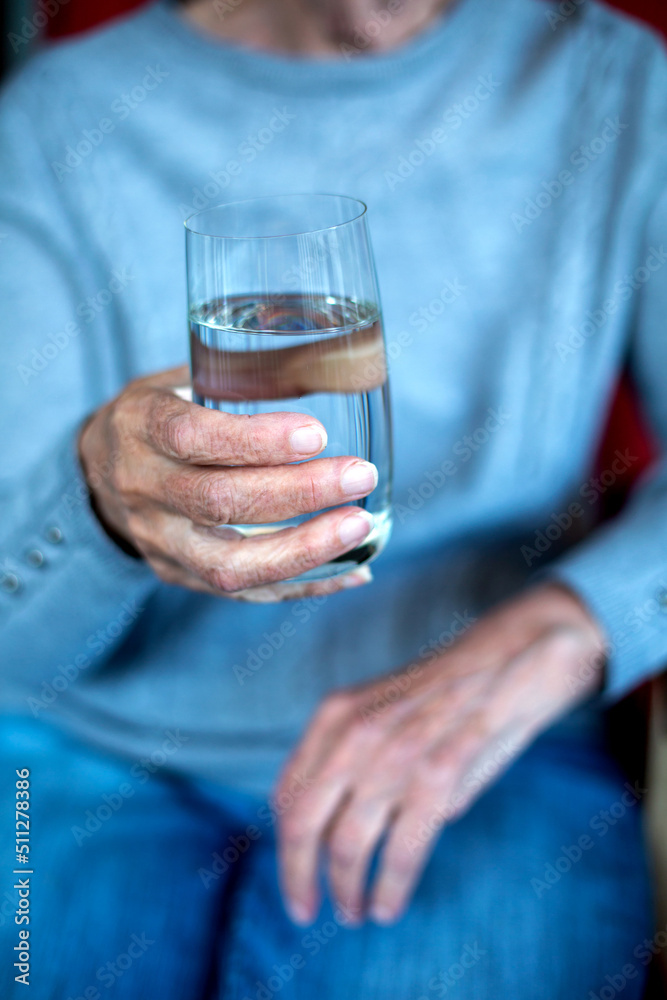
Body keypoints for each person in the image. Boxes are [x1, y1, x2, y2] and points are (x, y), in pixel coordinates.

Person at [1, 0, 665, 995]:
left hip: (479, 736)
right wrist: (95, 493)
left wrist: (560, 632)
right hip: (88, 742)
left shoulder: (616, 86)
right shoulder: (58, 120)